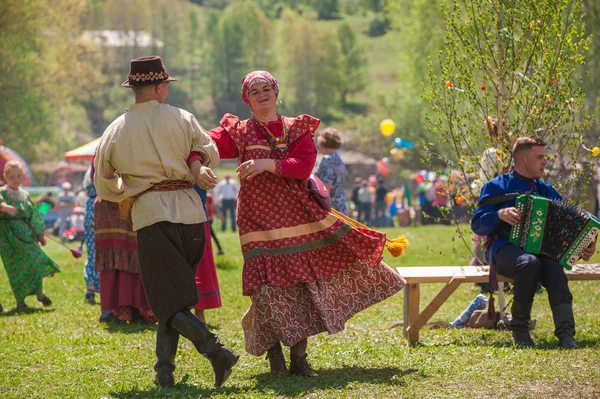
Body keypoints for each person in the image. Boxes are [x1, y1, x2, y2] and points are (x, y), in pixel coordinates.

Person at [208, 70, 405, 377]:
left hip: (296, 216)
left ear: (276, 91)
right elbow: (204, 145)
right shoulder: (240, 131)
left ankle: (299, 359)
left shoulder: (295, 128)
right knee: (265, 288)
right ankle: (276, 358)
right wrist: (185, 145)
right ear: (247, 99)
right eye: (254, 91)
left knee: (301, 287)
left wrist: (265, 164)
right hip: (256, 220)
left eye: (266, 88)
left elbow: (302, 167)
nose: (261, 94)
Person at [94, 55, 238, 388]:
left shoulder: (115, 130)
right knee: (172, 298)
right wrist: (195, 163)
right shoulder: (184, 118)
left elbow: (103, 184)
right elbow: (212, 153)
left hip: (151, 215)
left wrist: (127, 189)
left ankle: (217, 351)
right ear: (160, 87)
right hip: (191, 214)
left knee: (166, 299)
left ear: (134, 88)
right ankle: (164, 372)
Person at [471, 136, 595, 349]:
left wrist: (583, 244)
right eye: (539, 157)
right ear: (522, 159)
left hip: (539, 253)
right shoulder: (496, 186)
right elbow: (477, 225)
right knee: (528, 263)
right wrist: (499, 214)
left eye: (544, 157)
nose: (544, 162)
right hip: (503, 250)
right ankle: (520, 330)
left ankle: (566, 335)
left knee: (555, 269)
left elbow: (568, 222)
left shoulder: (544, 189)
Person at [0, 161, 60, 311]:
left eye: (18, 175)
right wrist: (5, 208)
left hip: (26, 235)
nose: (15, 179)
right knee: (16, 267)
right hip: (8, 237)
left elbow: (34, 215)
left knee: (34, 260)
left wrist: (39, 235)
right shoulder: (2, 192)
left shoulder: (25, 194)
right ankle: (21, 302)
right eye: (11, 176)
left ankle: (39, 293)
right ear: (5, 176)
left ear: (23, 176)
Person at [94, 197, 156, 324]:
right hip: (116, 201)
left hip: (126, 201)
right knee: (119, 254)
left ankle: (132, 309)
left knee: (131, 252)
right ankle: (117, 310)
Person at [315, 127, 347, 215]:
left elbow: (327, 184)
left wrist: (321, 206)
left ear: (322, 142)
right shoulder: (338, 159)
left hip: (331, 208)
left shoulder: (327, 159)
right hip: (341, 205)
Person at [82, 165, 99, 304]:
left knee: (92, 249)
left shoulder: (89, 171)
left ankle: (91, 287)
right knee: (102, 249)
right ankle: (96, 286)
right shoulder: (102, 168)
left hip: (89, 207)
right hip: (102, 206)